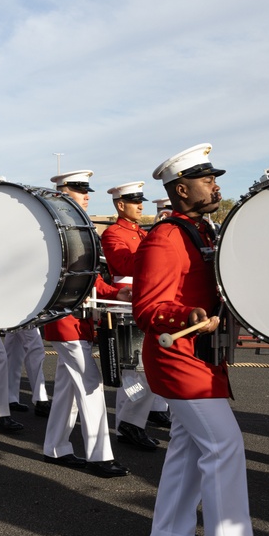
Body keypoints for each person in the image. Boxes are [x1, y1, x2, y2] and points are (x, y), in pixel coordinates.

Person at [132, 144, 259, 536]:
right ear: (181, 189)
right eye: (207, 180)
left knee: (188, 449)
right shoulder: (166, 237)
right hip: (178, 359)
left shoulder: (202, 231)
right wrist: (186, 315)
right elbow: (147, 308)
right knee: (224, 446)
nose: (216, 185)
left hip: (200, 359)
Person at [42, 170, 130, 478]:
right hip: (65, 321)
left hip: (79, 323)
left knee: (68, 388)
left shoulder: (81, 229)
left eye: (86, 189)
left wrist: (117, 291)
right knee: (90, 384)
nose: (86, 194)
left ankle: (55, 447)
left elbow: (90, 280)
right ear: (63, 193)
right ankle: (99, 456)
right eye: (79, 189)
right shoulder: (52, 232)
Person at [101, 181, 168, 451]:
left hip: (142, 298)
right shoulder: (113, 234)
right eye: (134, 201)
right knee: (134, 368)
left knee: (140, 367)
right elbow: (125, 264)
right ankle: (130, 424)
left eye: (140, 200)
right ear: (120, 205)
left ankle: (131, 423)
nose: (141, 205)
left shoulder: (140, 232)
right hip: (125, 301)